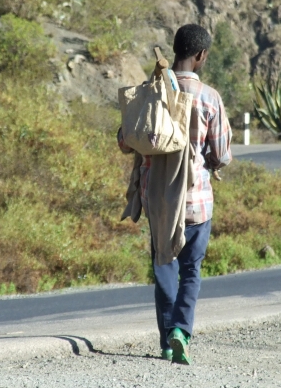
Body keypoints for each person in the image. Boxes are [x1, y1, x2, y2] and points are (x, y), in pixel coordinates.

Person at [118, 24, 232, 364]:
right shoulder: (210, 98)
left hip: (158, 201)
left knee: (163, 266)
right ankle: (182, 330)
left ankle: (167, 341)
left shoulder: (151, 91)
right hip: (197, 201)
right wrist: (208, 161)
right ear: (200, 56)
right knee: (191, 270)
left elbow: (126, 140)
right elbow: (223, 153)